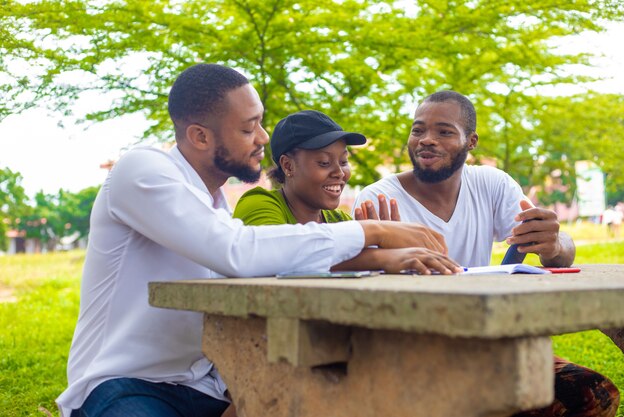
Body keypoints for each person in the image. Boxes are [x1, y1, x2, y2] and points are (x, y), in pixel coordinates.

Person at [55, 64, 454, 417]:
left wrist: (382, 259)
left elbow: (266, 260)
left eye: (260, 123)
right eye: (248, 128)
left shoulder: (213, 204)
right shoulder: (141, 170)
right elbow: (239, 251)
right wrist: (373, 232)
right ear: (199, 136)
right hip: (125, 384)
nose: (263, 137)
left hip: (204, 386)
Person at [353, 90, 620, 417]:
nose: (426, 140)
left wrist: (554, 244)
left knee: (594, 395)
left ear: (471, 141)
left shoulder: (491, 184)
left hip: (484, 342)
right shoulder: (378, 199)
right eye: (418, 129)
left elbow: (560, 252)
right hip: (411, 349)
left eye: (444, 131)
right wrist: (386, 258)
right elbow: (359, 289)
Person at [233, 109, 461, 274]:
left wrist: (394, 251)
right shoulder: (259, 202)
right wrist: (380, 249)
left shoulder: (339, 220)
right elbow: (273, 255)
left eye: (343, 162)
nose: (339, 173)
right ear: (288, 166)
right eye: (324, 163)